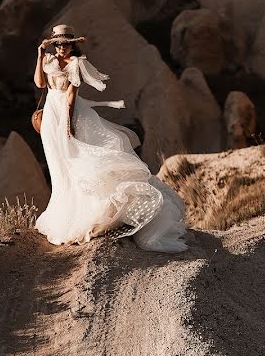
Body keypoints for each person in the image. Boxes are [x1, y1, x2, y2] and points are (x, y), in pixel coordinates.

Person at [31, 24, 189, 253]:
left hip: (69, 115)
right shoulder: (47, 60)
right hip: (50, 116)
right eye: (58, 44)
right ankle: (64, 211)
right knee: (58, 165)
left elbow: (71, 98)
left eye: (66, 43)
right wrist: (38, 56)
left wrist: (67, 125)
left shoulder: (77, 64)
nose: (62, 48)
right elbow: (40, 84)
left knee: (79, 159)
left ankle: (92, 212)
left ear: (72, 44)